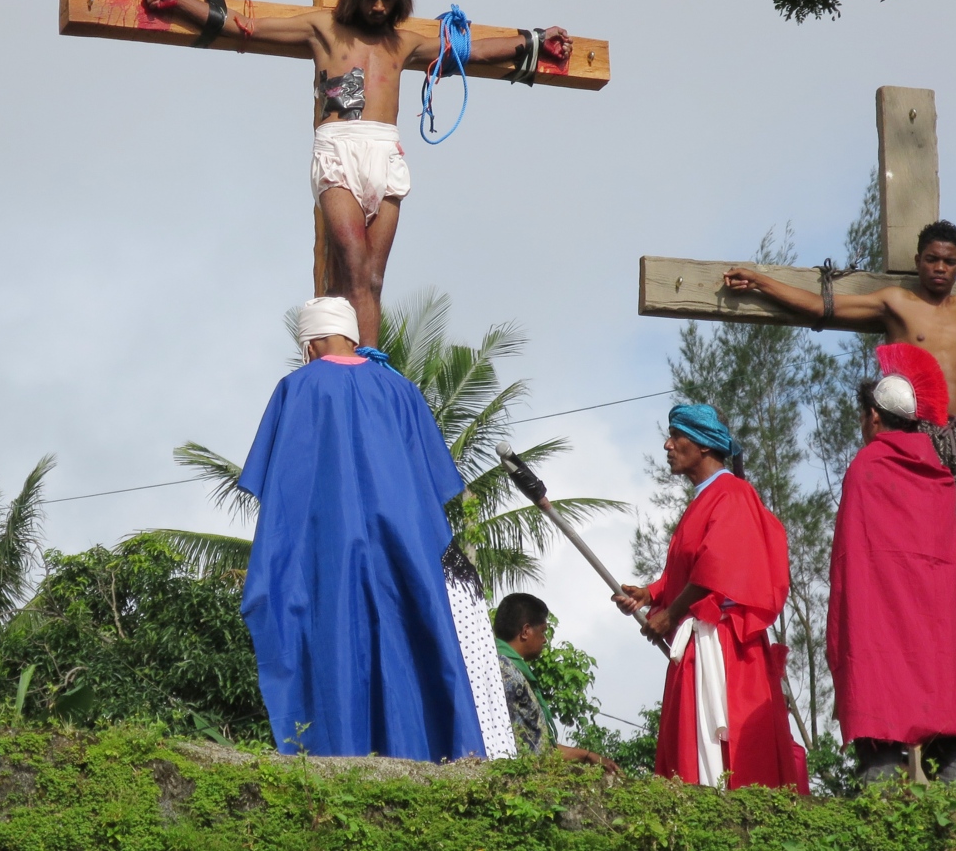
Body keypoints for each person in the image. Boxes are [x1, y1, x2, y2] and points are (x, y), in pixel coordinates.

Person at [143, 0, 571, 346]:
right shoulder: (322, 28)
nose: (379, 7)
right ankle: (350, 357)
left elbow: (468, 53)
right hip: (338, 148)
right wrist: (181, 1)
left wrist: (534, 41)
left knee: (373, 277)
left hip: (384, 152)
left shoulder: (403, 43)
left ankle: (370, 361)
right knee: (351, 262)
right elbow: (244, 26)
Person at [724, 220, 956, 599]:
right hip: (914, 432)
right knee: (911, 542)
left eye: (949, 261)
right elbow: (820, 306)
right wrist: (761, 281)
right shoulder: (895, 302)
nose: (939, 268)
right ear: (918, 260)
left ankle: (948, 618)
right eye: (932, 259)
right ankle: (909, 613)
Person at [238, 296, 488, 760]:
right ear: (353, 337)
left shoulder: (297, 389)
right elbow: (432, 484)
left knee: (333, 650)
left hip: (328, 555)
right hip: (402, 552)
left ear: (310, 346)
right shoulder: (401, 389)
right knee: (410, 646)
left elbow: (282, 493)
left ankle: (340, 762)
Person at [612, 405, 806, 790]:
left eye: (675, 435)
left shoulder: (732, 492)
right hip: (700, 641)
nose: (667, 445)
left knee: (721, 757)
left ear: (701, 446)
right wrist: (651, 593)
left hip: (724, 645)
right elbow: (691, 569)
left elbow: (716, 568)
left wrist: (670, 615)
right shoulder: (704, 499)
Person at [827, 346, 956, 784]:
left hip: (878, 618)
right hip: (933, 618)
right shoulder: (937, 470)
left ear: (874, 418)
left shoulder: (866, 466)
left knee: (879, 715)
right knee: (947, 718)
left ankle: (882, 824)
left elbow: (852, 559)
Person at [493, 593, 617, 771]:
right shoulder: (504, 669)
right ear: (526, 631)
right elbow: (527, 752)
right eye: (542, 631)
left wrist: (586, 756)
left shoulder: (511, 668)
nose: (544, 639)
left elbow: (540, 748)